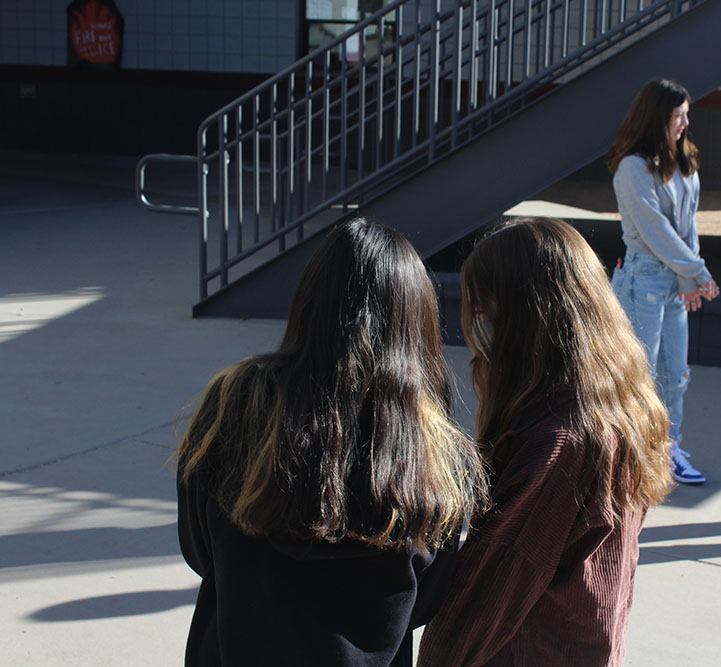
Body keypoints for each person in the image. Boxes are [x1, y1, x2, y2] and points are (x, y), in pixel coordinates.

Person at [174, 219, 487, 665]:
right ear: (417, 322)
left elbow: (198, 547)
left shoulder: (235, 400)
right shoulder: (438, 449)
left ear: (310, 301)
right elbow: (428, 599)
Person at [417, 218, 674, 666]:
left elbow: (489, 588)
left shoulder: (560, 440)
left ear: (530, 319)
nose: (483, 336)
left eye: (487, 314)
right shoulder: (618, 403)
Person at [606, 78, 720, 485]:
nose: (685, 124)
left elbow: (687, 228)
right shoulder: (634, 167)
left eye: (687, 115)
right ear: (657, 117)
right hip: (643, 280)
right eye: (677, 115)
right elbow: (656, 231)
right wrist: (698, 272)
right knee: (640, 373)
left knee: (676, 373)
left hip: (673, 280)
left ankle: (668, 449)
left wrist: (690, 276)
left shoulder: (683, 161)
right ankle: (631, 457)